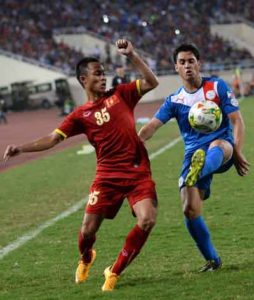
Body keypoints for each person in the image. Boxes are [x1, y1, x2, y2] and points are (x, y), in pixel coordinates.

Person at [3, 39, 159, 291]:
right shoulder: (79, 115)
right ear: (83, 80)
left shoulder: (122, 95)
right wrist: (20, 148)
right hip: (107, 177)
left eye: (104, 73)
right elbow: (52, 139)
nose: (103, 77)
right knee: (87, 231)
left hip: (137, 173)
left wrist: (132, 55)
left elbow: (152, 82)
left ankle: (115, 271)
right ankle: (87, 257)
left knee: (148, 220)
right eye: (98, 74)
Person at [139, 44, 249, 272]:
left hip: (222, 148)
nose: (187, 65)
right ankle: (213, 260)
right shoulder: (174, 100)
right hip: (193, 155)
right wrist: (138, 140)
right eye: (182, 62)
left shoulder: (216, 86)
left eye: (191, 61)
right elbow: (152, 125)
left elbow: (237, 120)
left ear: (199, 63)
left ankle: (200, 169)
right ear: (176, 68)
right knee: (189, 209)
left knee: (218, 145)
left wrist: (238, 151)